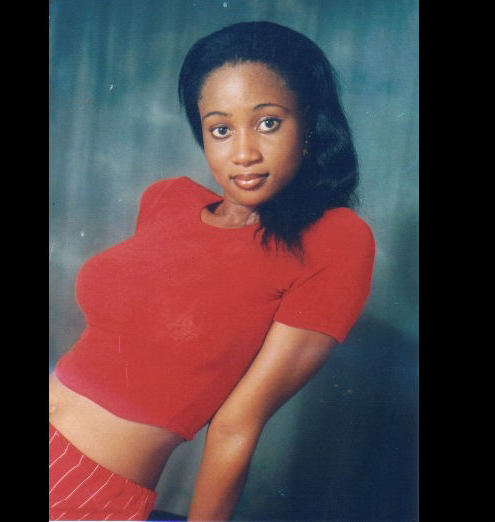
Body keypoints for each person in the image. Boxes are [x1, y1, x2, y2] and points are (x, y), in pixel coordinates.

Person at [49, 21, 375, 521]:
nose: (243, 153)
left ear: (310, 125)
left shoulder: (335, 240)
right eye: (221, 129)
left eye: (268, 123)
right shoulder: (167, 199)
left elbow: (235, 425)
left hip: (84, 490)